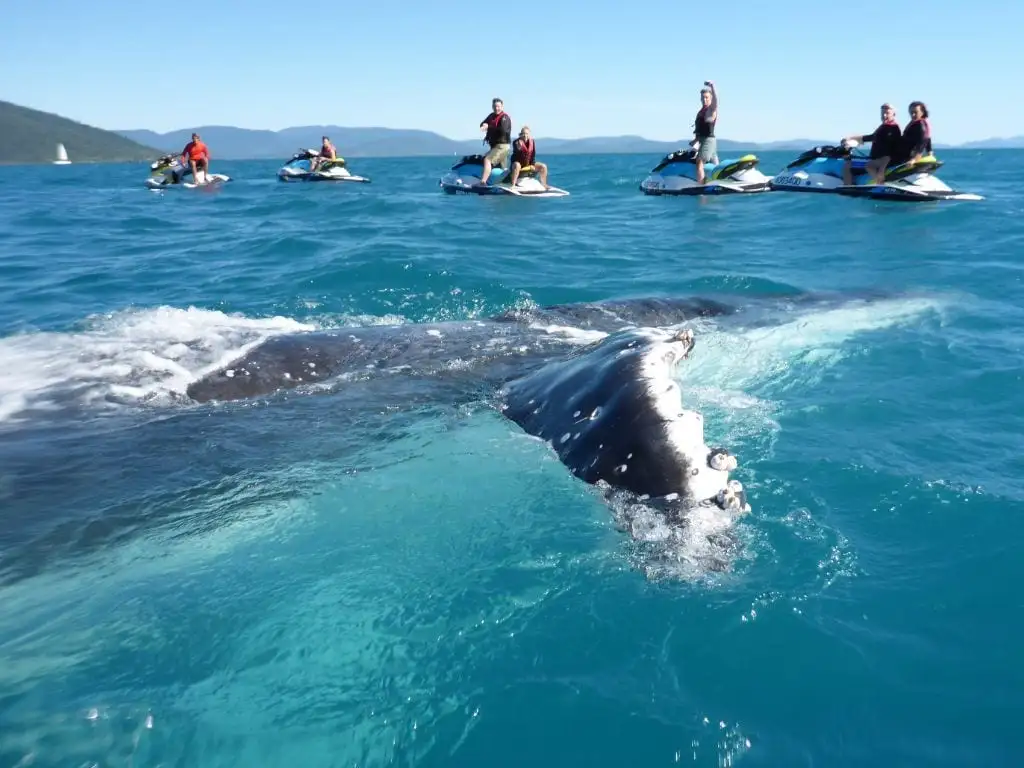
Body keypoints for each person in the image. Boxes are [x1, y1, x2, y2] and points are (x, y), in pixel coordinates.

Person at [841, 103, 902, 185]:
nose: (884, 116)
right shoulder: (887, 126)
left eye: (887, 113)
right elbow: (871, 137)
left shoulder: (891, 128)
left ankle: (847, 189)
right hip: (877, 160)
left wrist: (850, 138)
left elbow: (887, 147)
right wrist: (851, 138)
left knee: (848, 165)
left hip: (881, 162)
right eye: (882, 113)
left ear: (894, 114)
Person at [477, 97, 512, 185]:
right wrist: (484, 124)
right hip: (495, 147)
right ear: (492, 107)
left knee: (487, 160)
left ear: (502, 106)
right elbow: (482, 124)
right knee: (502, 168)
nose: (497, 108)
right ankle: (503, 182)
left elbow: (502, 130)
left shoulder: (505, 117)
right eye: (495, 106)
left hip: (502, 146)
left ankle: (483, 182)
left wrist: (489, 127)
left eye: (498, 106)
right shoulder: (491, 116)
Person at [689, 80, 718, 184]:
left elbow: (716, 101)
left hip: (708, 141)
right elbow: (700, 129)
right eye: (702, 97)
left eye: (707, 97)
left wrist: (712, 86)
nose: (704, 100)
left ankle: (701, 186)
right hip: (705, 141)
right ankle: (717, 181)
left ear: (710, 98)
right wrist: (695, 140)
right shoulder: (702, 111)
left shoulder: (711, 110)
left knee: (699, 162)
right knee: (715, 166)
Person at [891, 101, 933, 167]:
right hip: (900, 155)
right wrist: (930, 152)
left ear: (922, 112)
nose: (913, 115)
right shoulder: (915, 122)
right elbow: (928, 138)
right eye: (911, 112)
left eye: (915, 112)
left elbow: (923, 141)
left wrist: (914, 160)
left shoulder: (921, 124)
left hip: (905, 158)